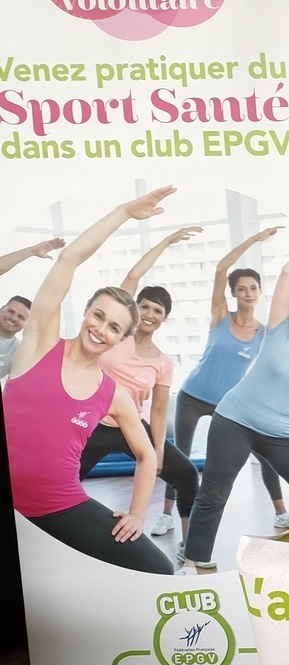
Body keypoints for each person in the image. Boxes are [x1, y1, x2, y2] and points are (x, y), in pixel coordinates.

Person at [0, 189, 175, 574]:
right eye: (98, 316)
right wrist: (123, 212)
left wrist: (137, 515)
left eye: (114, 327)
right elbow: (69, 259)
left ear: (123, 337)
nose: (100, 329)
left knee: (158, 570)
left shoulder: (112, 394)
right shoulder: (40, 343)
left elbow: (147, 456)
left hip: (60, 505)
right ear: (85, 312)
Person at [184, 242, 289, 571]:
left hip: (283, 434)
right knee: (214, 491)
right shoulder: (278, 333)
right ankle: (194, 561)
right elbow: (287, 272)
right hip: (234, 421)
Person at [161, 227, 289, 535]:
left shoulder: (264, 333)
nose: (247, 293)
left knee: (264, 452)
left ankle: (281, 512)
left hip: (229, 404)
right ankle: (167, 514)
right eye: (241, 288)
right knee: (179, 456)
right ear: (234, 292)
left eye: (253, 288)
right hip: (192, 397)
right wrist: (252, 239)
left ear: (259, 292)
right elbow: (222, 269)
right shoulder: (220, 316)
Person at [77, 229, 206, 551]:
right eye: (145, 307)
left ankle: (190, 546)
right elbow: (134, 275)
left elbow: (160, 410)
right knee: (61, 479)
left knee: (188, 475)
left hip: (131, 427)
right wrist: (166, 241)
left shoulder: (163, 362)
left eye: (158, 311)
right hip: (92, 425)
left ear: (164, 319)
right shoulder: (117, 335)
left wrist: (158, 451)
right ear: (136, 309)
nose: (150, 314)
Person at [0, 238, 65, 377]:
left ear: (26, 324)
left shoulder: (18, 352)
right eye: (11, 311)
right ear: (1, 309)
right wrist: (31, 251)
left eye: (21, 317)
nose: (13, 318)